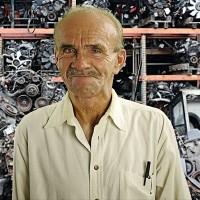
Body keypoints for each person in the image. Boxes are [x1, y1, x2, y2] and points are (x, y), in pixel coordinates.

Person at [12, 6, 191, 200]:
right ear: (56, 58)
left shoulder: (154, 126)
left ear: (119, 61)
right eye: (69, 50)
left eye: (96, 50)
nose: (80, 64)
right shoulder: (31, 130)